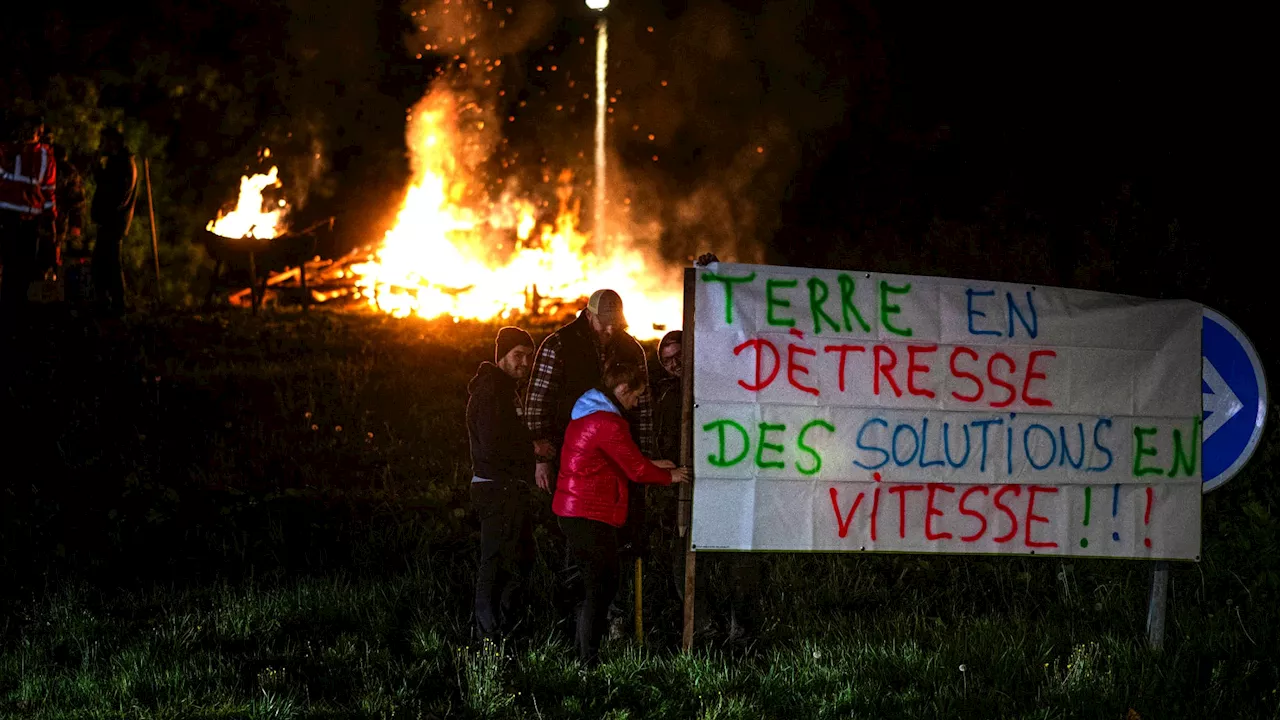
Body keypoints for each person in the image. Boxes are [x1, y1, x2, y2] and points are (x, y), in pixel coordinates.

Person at [525, 288, 660, 635]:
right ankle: (578, 615)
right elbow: (539, 399)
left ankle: (608, 613)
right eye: (605, 323)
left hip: (617, 458)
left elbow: (642, 406)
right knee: (581, 534)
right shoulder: (559, 345)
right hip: (576, 459)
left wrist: (641, 458)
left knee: (615, 535)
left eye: (617, 324)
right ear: (588, 315)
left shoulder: (630, 348)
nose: (611, 330)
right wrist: (542, 455)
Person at [552, 360, 689, 665]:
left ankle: (584, 655)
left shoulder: (590, 413)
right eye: (636, 396)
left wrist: (660, 465)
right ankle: (588, 661)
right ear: (622, 389)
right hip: (589, 514)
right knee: (601, 587)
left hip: (577, 511)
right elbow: (636, 470)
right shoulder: (608, 423)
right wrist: (672, 476)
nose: (637, 403)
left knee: (595, 586)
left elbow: (623, 459)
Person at [466, 326, 538, 643]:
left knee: (517, 559)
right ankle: (487, 633)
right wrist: (533, 449)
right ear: (502, 356)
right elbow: (494, 444)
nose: (524, 363)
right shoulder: (491, 392)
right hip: (495, 488)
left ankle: (505, 627)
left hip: (508, 487)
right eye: (518, 355)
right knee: (494, 562)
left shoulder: (506, 389)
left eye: (529, 357)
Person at [0, 117, 57, 316]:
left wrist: (50, 219)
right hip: (21, 217)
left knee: (15, 264)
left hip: (15, 217)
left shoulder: (9, 150)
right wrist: (50, 219)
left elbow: (49, 190)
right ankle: (14, 307)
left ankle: (12, 307)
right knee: (17, 264)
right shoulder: (41, 155)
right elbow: (48, 191)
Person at [90, 125, 137, 314]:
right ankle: (108, 301)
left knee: (109, 261)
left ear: (114, 142)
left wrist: (97, 166)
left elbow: (115, 192)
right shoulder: (118, 162)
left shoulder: (123, 164)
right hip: (111, 220)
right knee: (104, 261)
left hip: (114, 221)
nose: (102, 145)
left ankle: (117, 303)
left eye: (105, 142)